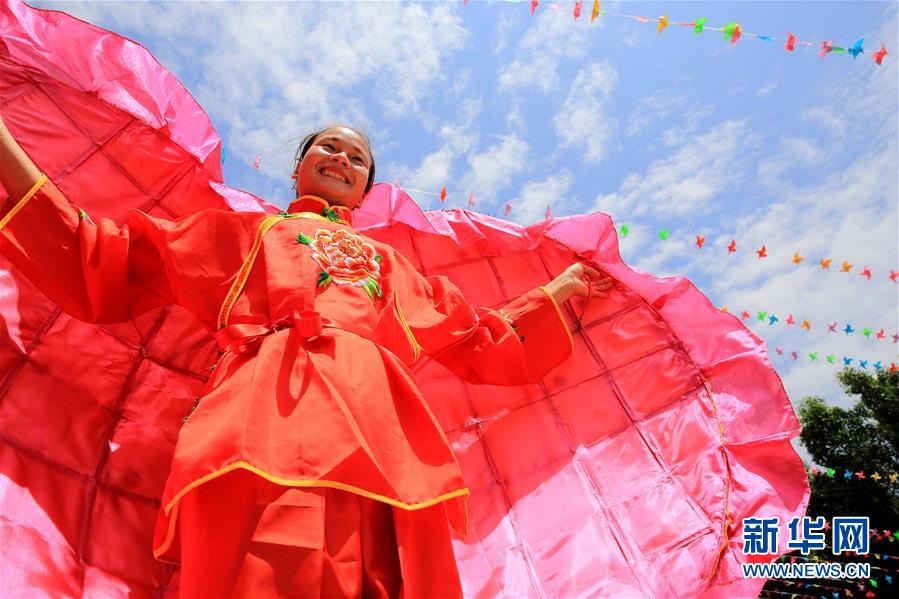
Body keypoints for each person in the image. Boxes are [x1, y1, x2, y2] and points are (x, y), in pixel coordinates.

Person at [0, 115, 612, 598]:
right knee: (256, 575)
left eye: (357, 157)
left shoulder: (395, 269)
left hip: (382, 441)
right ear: (299, 171)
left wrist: (554, 293)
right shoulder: (241, 235)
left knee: (390, 577)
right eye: (328, 148)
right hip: (259, 425)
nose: (342, 159)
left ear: (367, 188)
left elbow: (480, 340)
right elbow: (97, 259)